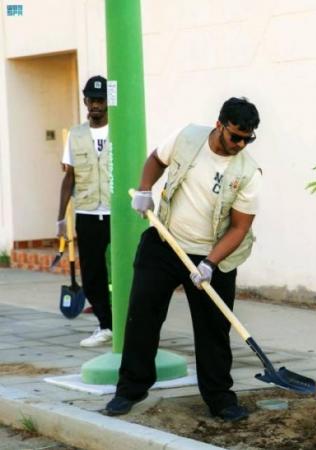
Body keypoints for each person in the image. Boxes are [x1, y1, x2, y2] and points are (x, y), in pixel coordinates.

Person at [104, 97, 262, 422]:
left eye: (248, 138)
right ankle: (130, 390)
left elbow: (240, 226)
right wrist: (145, 189)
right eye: (236, 136)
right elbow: (156, 160)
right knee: (142, 317)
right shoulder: (188, 137)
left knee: (214, 330)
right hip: (165, 244)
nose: (240, 144)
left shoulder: (248, 171)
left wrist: (210, 263)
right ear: (220, 125)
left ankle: (220, 398)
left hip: (212, 255)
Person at [56, 75, 112, 347]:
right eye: (92, 100)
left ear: (108, 102)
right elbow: (69, 178)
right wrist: (59, 217)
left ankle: (128, 322)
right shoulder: (76, 134)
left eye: (101, 100)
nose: (96, 105)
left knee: (127, 269)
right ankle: (106, 325)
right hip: (88, 213)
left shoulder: (120, 130)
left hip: (117, 213)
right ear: (85, 101)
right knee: (91, 274)